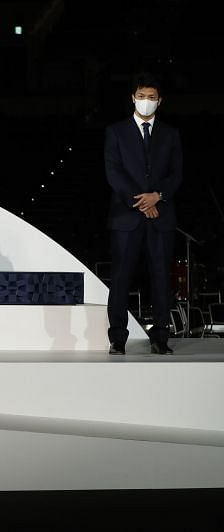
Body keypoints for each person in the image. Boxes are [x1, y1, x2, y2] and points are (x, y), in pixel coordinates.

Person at [104, 72, 182, 355]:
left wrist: (157, 197)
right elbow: (114, 171)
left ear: (159, 101)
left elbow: (176, 173)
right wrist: (141, 202)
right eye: (141, 97)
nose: (145, 102)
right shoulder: (116, 131)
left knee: (161, 276)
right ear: (132, 98)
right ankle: (117, 338)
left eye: (151, 98)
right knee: (122, 277)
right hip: (127, 217)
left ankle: (160, 337)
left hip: (161, 216)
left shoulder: (170, 134)